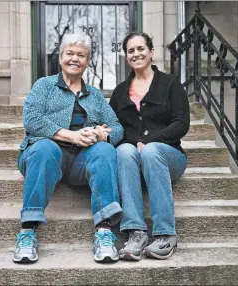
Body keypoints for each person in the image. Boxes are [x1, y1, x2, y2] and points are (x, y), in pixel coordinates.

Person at [13, 33, 124, 264]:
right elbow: (32, 120)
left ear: (87, 61)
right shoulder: (44, 85)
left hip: (81, 163)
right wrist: (72, 136)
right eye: (70, 53)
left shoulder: (95, 95)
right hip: (44, 155)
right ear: (61, 57)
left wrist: (102, 134)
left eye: (81, 55)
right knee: (45, 148)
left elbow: (117, 127)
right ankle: (27, 231)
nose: (75, 59)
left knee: (105, 150)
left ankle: (104, 232)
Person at [110, 32, 190, 261]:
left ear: (151, 52)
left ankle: (165, 234)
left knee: (153, 150)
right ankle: (136, 232)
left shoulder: (170, 83)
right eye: (131, 51)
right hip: (134, 160)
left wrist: (151, 140)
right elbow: (116, 127)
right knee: (123, 150)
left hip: (169, 156)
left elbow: (181, 123)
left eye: (141, 49)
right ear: (127, 57)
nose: (136, 54)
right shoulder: (119, 92)